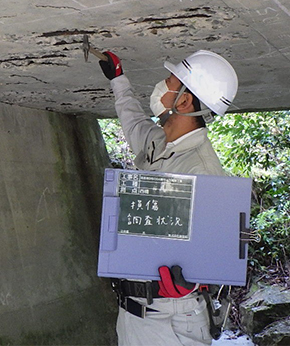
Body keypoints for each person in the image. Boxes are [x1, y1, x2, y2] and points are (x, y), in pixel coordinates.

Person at [98, 50, 239, 346]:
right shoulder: (163, 143)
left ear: (185, 101)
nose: (161, 86)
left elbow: (219, 248)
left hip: (173, 317)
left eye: (169, 81)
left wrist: (197, 279)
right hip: (141, 312)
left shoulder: (202, 170)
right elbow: (134, 124)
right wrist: (118, 79)